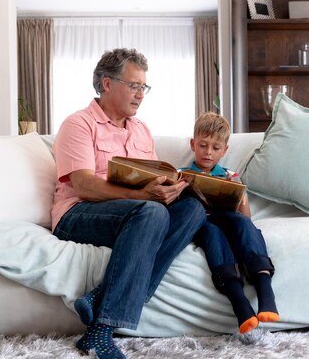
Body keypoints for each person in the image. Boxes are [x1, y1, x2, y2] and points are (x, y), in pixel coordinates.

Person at [51, 48, 206, 359]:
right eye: (134, 86)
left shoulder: (140, 129)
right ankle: (100, 330)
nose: (140, 95)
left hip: (132, 214)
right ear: (107, 84)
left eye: (143, 87)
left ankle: (99, 297)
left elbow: (150, 179)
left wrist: (170, 188)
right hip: (78, 214)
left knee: (193, 209)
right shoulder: (79, 124)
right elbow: (82, 184)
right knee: (151, 212)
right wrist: (144, 198)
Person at [179, 112, 279, 334]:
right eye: (203, 145)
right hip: (201, 223)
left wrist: (240, 195)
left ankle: (265, 291)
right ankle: (240, 304)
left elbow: (246, 220)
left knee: (242, 224)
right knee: (212, 233)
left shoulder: (229, 175)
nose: (208, 152)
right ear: (193, 144)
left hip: (228, 219)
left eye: (216, 148)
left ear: (224, 150)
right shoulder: (181, 174)